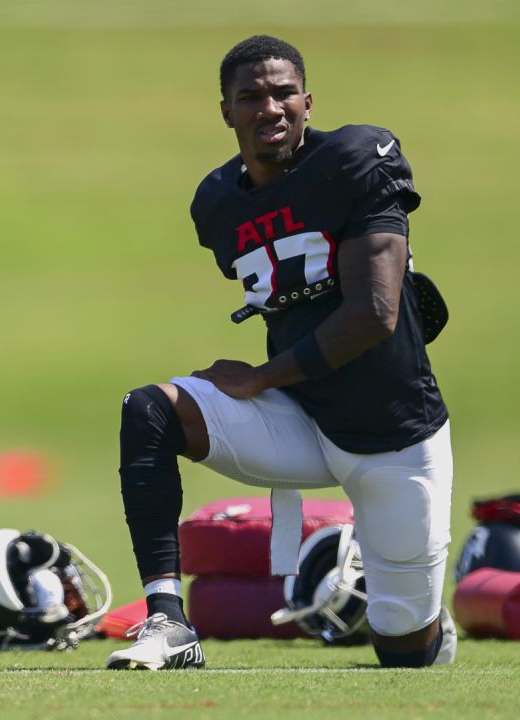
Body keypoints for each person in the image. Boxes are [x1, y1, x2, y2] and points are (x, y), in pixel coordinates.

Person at [107, 35, 454, 670]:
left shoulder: (356, 158)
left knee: (404, 653)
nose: (269, 108)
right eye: (251, 97)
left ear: (307, 101)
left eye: (282, 93)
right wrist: (268, 384)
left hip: (392, 434)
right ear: (226, 112)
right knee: (150, 410)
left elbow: (373, 316)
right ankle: (168, 620)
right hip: (297, 414)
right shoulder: (217, 203)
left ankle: (430, 622)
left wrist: (261, 375)